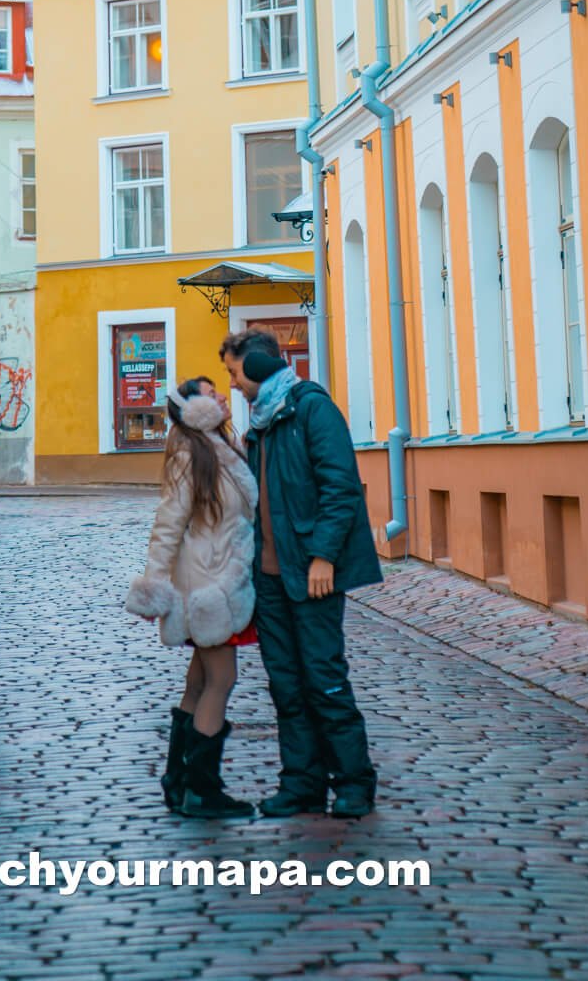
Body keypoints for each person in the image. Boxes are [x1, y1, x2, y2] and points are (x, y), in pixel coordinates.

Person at [221, 328, 382, 819]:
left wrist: (323, 557)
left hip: (311, 573)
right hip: (269, 579)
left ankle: (354, 783)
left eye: (235, 373)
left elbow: (340, 487)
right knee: (286, 686)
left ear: (255, 367)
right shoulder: (262, 422)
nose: (234, 385)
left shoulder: (311, 409)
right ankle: (302, 785)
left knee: (324, 680)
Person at [124, 376, 258, 819]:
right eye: (211, 392)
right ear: (195, 408)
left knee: (199, 682)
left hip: (220, 580)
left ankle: (178, 778)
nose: (221, 396)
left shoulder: (218, 448)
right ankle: (202, 789)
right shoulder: (190, 456)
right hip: (209, 588)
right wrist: (153, 587)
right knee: (221, 681)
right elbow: (168, 526)